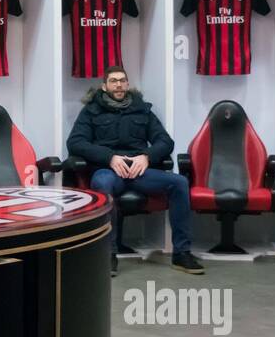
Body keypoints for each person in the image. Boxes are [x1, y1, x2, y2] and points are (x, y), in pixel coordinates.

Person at [66, 65, 202, 277]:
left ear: (128, 85)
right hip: (108, 171)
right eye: (113, 81)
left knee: (179, 183)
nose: (118, 84)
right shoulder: (91, 111)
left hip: (140, 172)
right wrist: (109, 157)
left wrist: (147, 156)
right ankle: (107, 255)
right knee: (102, 184)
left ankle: (181, 253)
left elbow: (165, 142)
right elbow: (75, 143)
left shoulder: (142, 110)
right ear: (104, 86)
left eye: (122, 80)